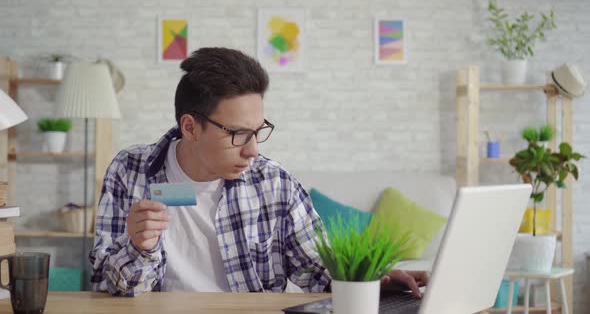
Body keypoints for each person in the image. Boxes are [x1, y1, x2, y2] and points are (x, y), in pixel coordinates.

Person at [89, 47, 429, 297]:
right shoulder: (129, 170)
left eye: (258, 131)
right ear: (190, 127)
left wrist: (373, 280)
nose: (252, 150)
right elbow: (107, 287)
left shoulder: (273, 181)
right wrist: (139, 248)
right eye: (237, 134)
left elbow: (316, 267)